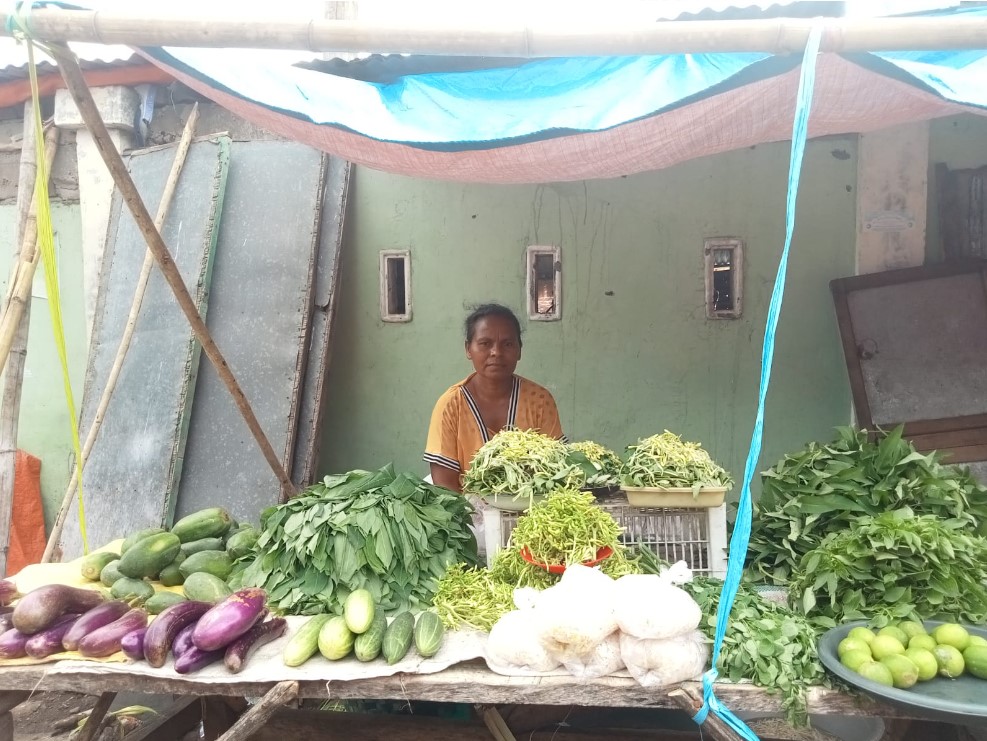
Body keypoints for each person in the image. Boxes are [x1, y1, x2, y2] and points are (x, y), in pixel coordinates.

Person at [424, 303, 565, 493]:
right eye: (485, 343)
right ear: (468, 349)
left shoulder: (539, 401)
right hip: (466, 513)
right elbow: (445, 486)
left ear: (519, 350)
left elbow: (556, 469)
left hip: (530, 509)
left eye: (507, 344)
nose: (496, 352)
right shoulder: (451, 405)